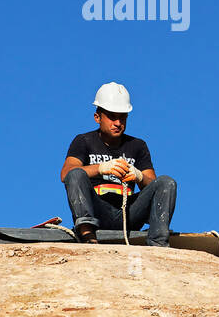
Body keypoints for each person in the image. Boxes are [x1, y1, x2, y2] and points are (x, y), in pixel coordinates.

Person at [60, 82, 177, 246]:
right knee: (76, 174)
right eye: (112, 117)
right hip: (98, 211)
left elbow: (153, 183)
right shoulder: (84, 141)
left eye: (122, 117)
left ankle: (158, 243)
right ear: (97, 117)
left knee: (167, 183)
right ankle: (87, 234)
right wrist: (101, 168)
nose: (117, 122)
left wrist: (139, 176)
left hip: (129, 213)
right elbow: (66, 173)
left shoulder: (138, 146)